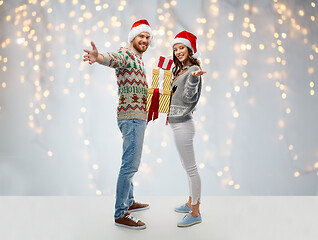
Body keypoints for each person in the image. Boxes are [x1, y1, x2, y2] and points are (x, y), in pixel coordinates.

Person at [83, 19, 155, 230]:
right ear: (132, 37)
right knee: (130, 164)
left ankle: (129, 200)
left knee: (130, 160)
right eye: (141, 36)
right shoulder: (126, 54)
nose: (145, 40)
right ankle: (121, 213)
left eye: (148, 37)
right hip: (131, 118)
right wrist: (99, 57)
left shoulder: (139, 60)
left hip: (137, 116)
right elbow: (113, 58)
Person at [168, 31, 206, 227]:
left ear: (189, 49)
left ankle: (195, 212)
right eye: (175, 49)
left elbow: (190, 97)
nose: (178, 52)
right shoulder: (180, 70)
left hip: (183, 124)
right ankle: (191, 201)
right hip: (177, 124)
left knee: (191, 169)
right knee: (187, 167)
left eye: (181, 47)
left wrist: (193, 79)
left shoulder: (192, 71)